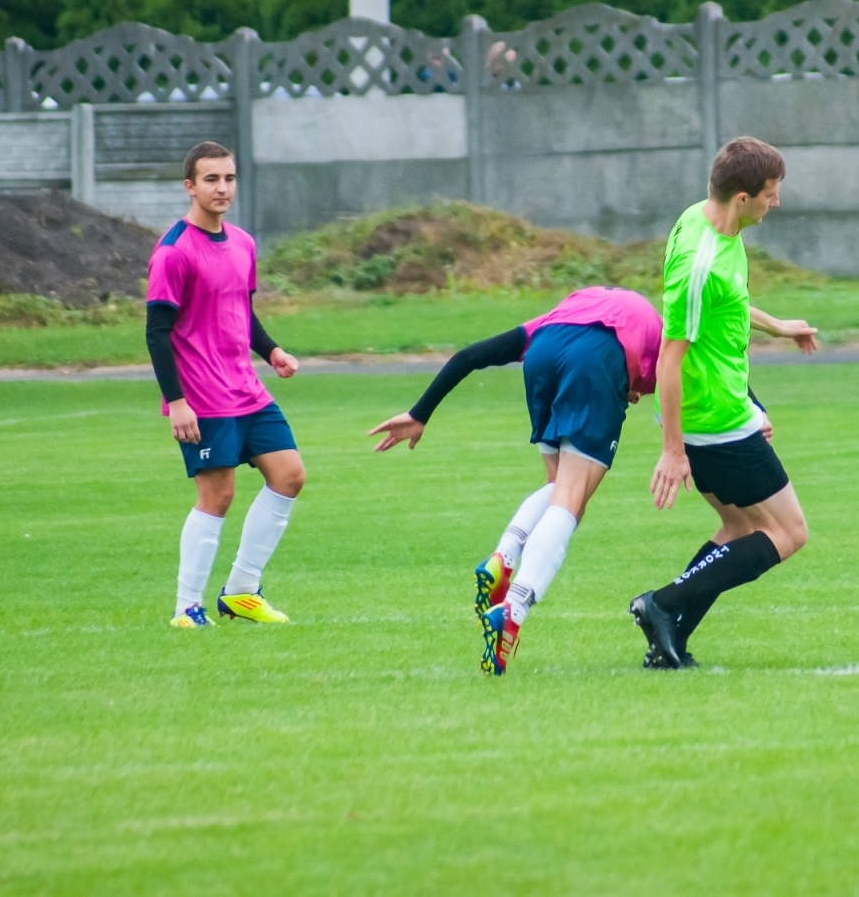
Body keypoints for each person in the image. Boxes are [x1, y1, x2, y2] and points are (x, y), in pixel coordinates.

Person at [368, 286, 663, 676]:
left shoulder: (555, 318)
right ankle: (515, 608)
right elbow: (704, 368)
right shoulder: (661, 333)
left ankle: (504, 556)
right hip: (596, 357)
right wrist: (751, 411)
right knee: (572, 499)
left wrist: (420, 412)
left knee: (560, 488)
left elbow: (469, 356)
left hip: (543, 354)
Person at [630, 136, 819, 669]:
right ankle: (663, 604)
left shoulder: (703, 218)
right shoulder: (701, 263)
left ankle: (670, 638)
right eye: (770, 193)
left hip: (720, 410)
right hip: (715, 421)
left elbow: (727, 300)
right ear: (742, 196)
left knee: (738, 529)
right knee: (788, 532)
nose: (775, 202)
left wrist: (776, 325)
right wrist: (673, 450)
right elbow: (670, 357)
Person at [147, 141, 305, 629]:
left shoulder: (243, 243)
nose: (222, 188)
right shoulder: (174, 252)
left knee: (290, 475)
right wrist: (176, 402)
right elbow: (157, 330)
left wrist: (272, 350)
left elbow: (240, 310)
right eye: (211, 179)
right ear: (189, 186)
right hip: (203, 395)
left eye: (229, 178)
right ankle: (186, 608)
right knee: (217, 497)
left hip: (247, 389)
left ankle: (240, 591)